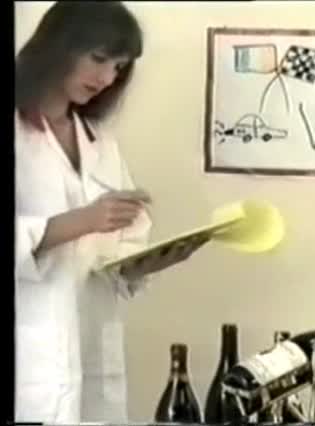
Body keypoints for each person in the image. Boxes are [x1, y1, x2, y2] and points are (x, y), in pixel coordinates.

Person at [15, 2, 203, 422]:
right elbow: (81, 224)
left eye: (118, 67)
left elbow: (120, 245)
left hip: (91, 341)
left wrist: (145, 262)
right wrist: (82, 221)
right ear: (57, 45)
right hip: (29, 350)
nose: (106, 78)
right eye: (98, 58)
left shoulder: (100, 142)